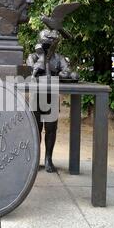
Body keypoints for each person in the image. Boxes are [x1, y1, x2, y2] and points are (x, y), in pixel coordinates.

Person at [27, 29, 78, 173]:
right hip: (36, 98)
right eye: (45, 44)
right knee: (35, 129)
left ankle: (48, 158)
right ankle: (35, 158)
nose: (47, 47)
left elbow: (67, 71)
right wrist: (42, 58)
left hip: (51, 98)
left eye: (49, 44)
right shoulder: (33, 57)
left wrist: (65, 73)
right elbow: (31, 72)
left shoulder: (59, 58)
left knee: (51, 130)